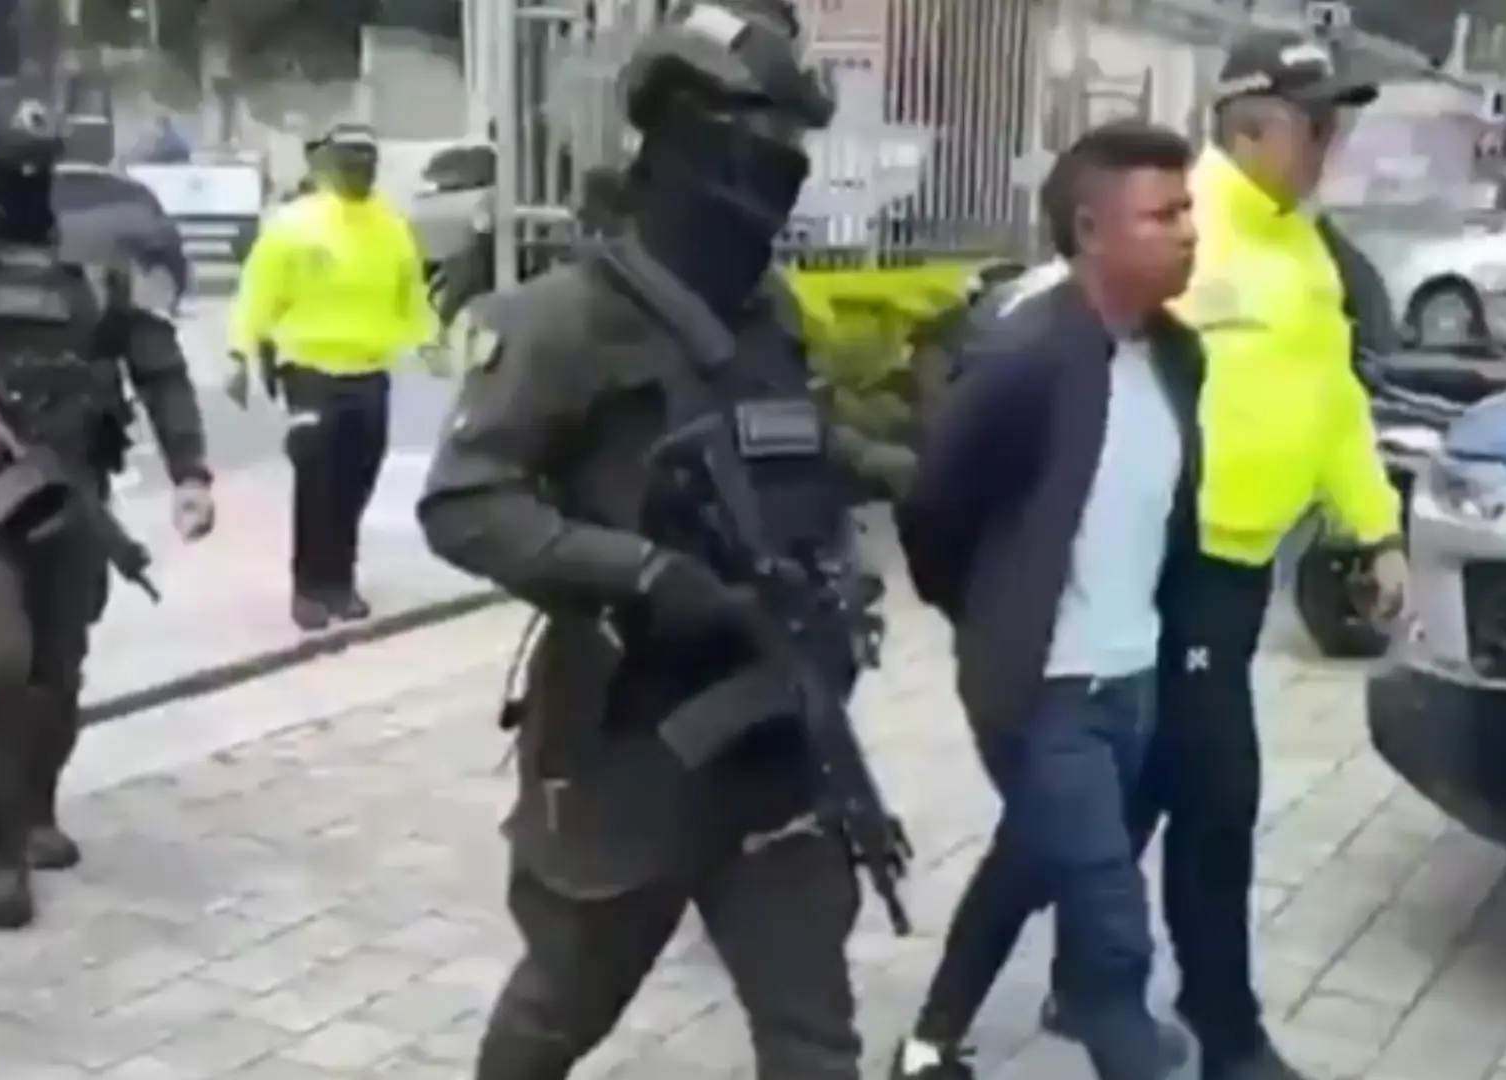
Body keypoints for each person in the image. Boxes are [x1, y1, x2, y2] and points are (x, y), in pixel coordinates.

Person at [414, 3, 910, 1078]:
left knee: (815, 1036)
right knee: (559, 1009)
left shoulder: (766, 315)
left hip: (776, 730)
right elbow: (464, 501)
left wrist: (876, 467)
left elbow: (781, 440)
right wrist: (639, 571)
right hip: (630, 742)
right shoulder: (559, 321)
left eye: (796, 142)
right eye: (769, 139)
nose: (788, 167)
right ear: (690, 138)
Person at [891, 119, 1203, 1080]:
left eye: (1187, 209)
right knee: (1112, 932)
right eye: (1162, 215)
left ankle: (926, 1044)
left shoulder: (1178, 356)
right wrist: (992, 621)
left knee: (1030, 857)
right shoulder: (1024, 360)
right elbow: (933, 510)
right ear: (1091, 230)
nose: (1189, 231)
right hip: (1044, 693)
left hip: (1131, 681)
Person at [1161, 31, 1409, 1080]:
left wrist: (1375, 527)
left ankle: (1077, 968)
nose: (1332, 145)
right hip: (1168, 565)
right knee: (1217, 799)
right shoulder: (1180, 225)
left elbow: (1336, 398)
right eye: (1319, 125)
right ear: (1251, 126)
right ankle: (1227, 1033)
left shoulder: (1300, 244)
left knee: (1129, 792)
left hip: (1240, 572)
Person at [0, 75, 215, 930]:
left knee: (58, 668)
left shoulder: (97, 258)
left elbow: (158, 366)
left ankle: (34, 805)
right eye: (8, 164)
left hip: (71, 493)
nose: (25, 180)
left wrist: (192, 472)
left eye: (38, 163)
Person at [226, 121, 438, 631]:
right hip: (308, 370)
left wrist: (437, 345)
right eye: (349, 159)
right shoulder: (295, 224)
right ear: (329, 164)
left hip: (369, 372)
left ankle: (340, 580)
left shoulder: (392, 227)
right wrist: (239, 354)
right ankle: (309, 587)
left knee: (358, 476)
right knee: (316, 476)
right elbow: (257, 293)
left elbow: (412, 298)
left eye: (368, 159)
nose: (360, 168)